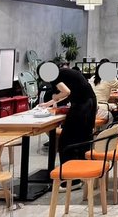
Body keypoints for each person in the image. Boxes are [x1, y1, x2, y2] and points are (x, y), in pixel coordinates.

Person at [39, 63, 96, 191]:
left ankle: (70, 180)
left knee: (66, 142)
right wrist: (49, 103)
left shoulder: (54, 76)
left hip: (81, 105)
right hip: (89, 102)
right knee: (82, 140)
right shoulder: (63, 72)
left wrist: (55, 97)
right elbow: (67, 92)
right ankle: (82, 176)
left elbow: (66, 92)